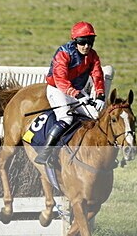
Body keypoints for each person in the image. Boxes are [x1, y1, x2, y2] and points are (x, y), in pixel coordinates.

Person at [35, 21, 106, 165]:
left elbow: (97, 75)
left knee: (96, 115)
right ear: (75, 41)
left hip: (76, 91)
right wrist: (78, 95)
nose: (86, 46)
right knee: (66, 118)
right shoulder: (63, 53)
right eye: (82, 42)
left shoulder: (92, 55)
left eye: (90, 42)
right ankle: (45, 153)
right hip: (57, 89)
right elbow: (61, 80)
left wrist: (100, 95)